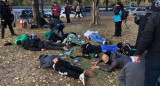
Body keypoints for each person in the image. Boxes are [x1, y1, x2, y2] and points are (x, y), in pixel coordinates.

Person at [134, 0, 160, 85]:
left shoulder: (155, 16)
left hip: (155, 58)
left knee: (150, 82)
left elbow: (146, 37)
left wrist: (138, 53)